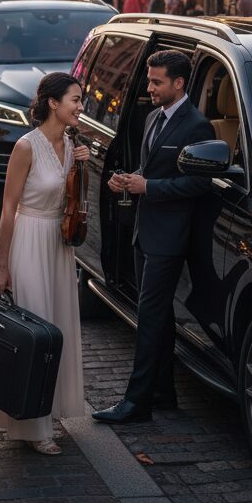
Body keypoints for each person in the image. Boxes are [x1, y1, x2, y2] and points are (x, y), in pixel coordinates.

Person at [93, 51, 214, 423]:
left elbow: (199, 181)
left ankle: (137, 402)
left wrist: (150, 186)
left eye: (157, 81)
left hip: (170, 238)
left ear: (179, 84)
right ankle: (163, 393)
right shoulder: (150, 118)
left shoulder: (198, 126)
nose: (150, 88)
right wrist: (128, 179)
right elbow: (151, 168)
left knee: (148, 318)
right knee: (157, 319)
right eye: (149, 80)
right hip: (144, 233)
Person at [0, 73, 88, 454]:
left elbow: (74, 204)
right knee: (35, 328)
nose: (80, 107)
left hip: (59, 245)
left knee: (59, 327)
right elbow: (8, 207)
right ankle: (32, 426)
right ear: (53, 103)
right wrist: (2, 265)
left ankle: (51, 410)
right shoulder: (26, 147)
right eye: (75, 100)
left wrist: (83, 168)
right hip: (29, 239)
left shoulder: (71, 143)